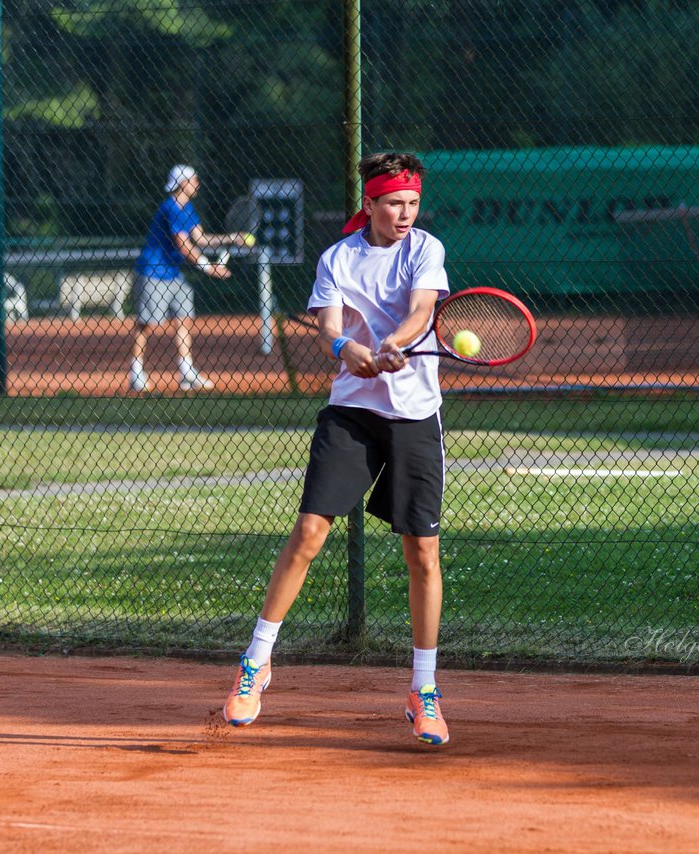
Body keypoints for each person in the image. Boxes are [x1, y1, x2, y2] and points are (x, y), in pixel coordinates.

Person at [222, 152, 452, 746]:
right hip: (352, 411)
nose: (405, 215)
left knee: (422, 553)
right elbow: (328, 327)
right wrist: (350, 348)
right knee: (308, 532)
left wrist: (396, 345)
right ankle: (256, 663)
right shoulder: (338, 257)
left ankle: (423, 690)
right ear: (369, 204)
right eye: (393, 204)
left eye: (412, 204)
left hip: (414, 417)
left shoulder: (425, 249)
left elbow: (421, 312)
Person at [130, 164, 250, 392]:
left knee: (184, 317)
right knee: (146, 325)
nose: (197, 184)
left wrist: (232, 238)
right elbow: (184, 246)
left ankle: (186, 372)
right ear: (183, 183)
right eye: (194, 180)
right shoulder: (171, 208)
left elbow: (201, 238)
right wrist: (208, 268)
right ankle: (136, 372)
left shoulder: (187, 208)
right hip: (153, 271)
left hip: (173, 273)